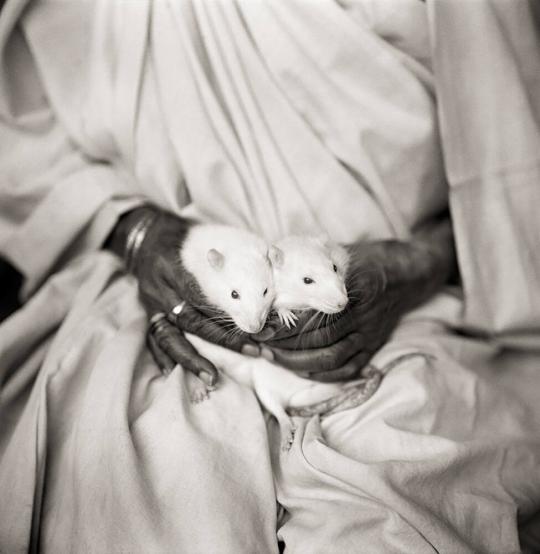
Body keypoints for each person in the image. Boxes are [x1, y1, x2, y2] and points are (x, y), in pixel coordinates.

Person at [1, 0, 539, 552]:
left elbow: (511, 160)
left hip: (425, 305)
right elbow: (26, 153)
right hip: (157, 304)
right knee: (127, 499)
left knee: (400, 513)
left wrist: (416, 265)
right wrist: (139, 235)